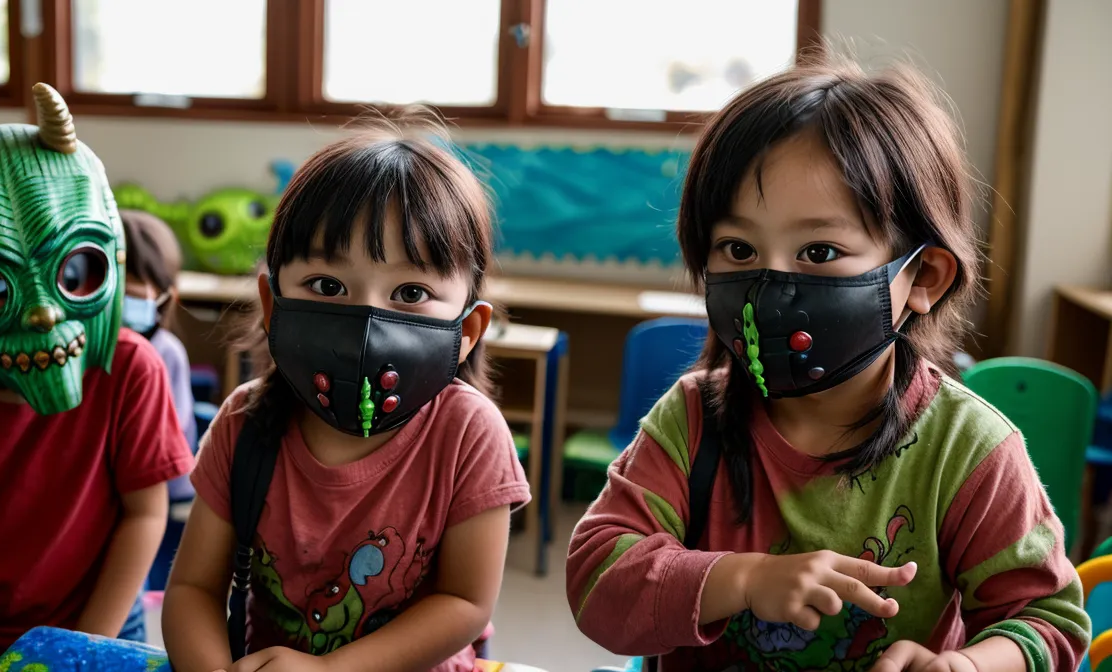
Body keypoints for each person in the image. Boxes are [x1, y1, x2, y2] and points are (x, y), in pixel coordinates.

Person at [566, 57, 1090, 672]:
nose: (771, 288)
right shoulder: (691, 420)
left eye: (819, 251)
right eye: (739, 248)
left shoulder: (967, 448)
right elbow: (597, 583)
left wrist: (969, 665)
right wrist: (742, 579)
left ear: (923, 276)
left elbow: (1048, 622)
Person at [162, 119, 530, 672]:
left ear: (468, 331)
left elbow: (465, 602)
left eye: (411, 292)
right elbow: (192, 587)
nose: (366, 324)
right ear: (273, 304)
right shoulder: (245, 423)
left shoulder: (469, 434)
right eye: (328, 286)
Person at [0, 85, 194, 672]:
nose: (41, 313)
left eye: (74, 270)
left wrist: (76, 650)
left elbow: (146, 514)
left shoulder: (130, 369)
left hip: (96, 625)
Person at [121, 208, 199, 499]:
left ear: (168, 295)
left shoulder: (167, 352)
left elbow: (165, 443)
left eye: (133, 291)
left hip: (159, 488)